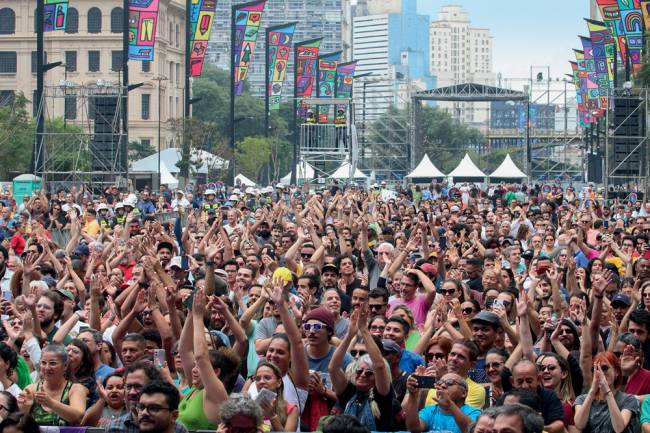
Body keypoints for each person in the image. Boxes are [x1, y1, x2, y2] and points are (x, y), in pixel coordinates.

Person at [17, 344, 87, 425]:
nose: (47, 368)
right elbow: (21, 425)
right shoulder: (31, 389)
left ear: (65, 366)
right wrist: (25, 408)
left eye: (52, 363)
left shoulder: (75, 389)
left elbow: (78, 417)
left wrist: (50, 403)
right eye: (43, 363)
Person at [574, 352, 639, 433]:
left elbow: (619, 428)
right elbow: (579, 425)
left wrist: (607, 393)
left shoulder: (628, 399)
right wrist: (592, 391)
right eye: (596, 369)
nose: (600, 372)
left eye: (604, 368)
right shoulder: (582, 399)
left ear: (616, 372)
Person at [405, 373, 480, 433]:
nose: (443, 385)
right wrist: (413, 396)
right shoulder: (430, 411)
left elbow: (471, 431)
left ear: (463, 393)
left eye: (450, 383)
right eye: (440, 383)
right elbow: (414, 428)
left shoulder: (474, 413)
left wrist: (450, 405)